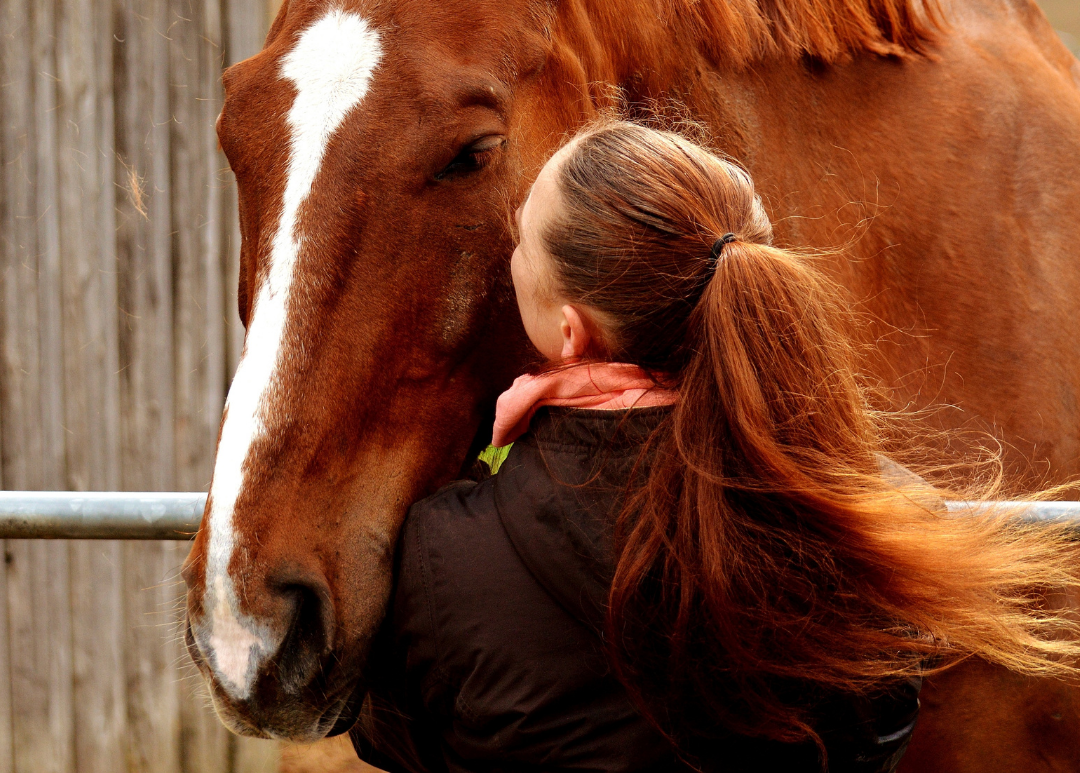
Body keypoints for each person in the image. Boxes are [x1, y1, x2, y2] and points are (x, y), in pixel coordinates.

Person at [352, 121, 1080, 773]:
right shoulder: (879, 525)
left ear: (571, 335)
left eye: (521, 243)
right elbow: (882, 728)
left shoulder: (443, 555)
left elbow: (393, 740)